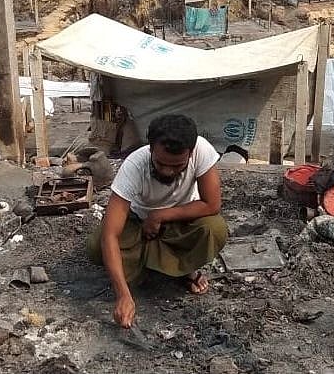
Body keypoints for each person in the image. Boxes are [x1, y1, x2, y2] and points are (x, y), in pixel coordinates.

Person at [86, 114, 228, 329]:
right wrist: (123, 295)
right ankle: (156, 268)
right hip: (138, 224)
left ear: (190, 153)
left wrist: (160, 215)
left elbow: (211, 205)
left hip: (180, 219)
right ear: (151, 148)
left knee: (214, 228)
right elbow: (110, 234)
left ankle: (181, 270)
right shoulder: (134, 166)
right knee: (97, 247)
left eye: (178, 165)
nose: (168, 171)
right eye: (161, 163)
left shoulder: (202, 150)